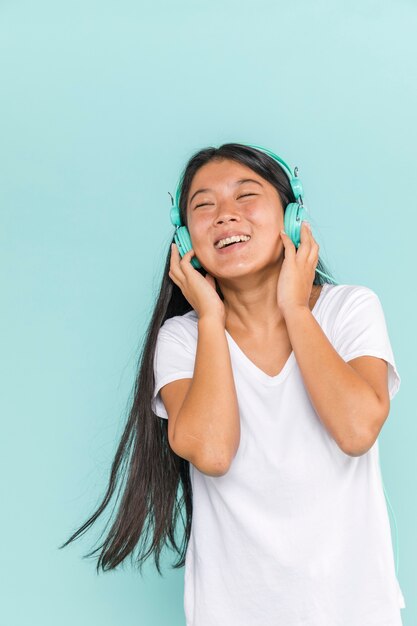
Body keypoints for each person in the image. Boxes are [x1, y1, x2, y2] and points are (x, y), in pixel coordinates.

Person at [59, 143, 405, 626]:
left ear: (291, 215)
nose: (225, 216)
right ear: (185, 238)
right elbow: (214, 453)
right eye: (203, 206)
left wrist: (296, 310)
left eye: (246, 196)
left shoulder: (349, 310)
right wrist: (211, 317)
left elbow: (356, 431)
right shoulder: (181, 340)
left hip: (355, 609)